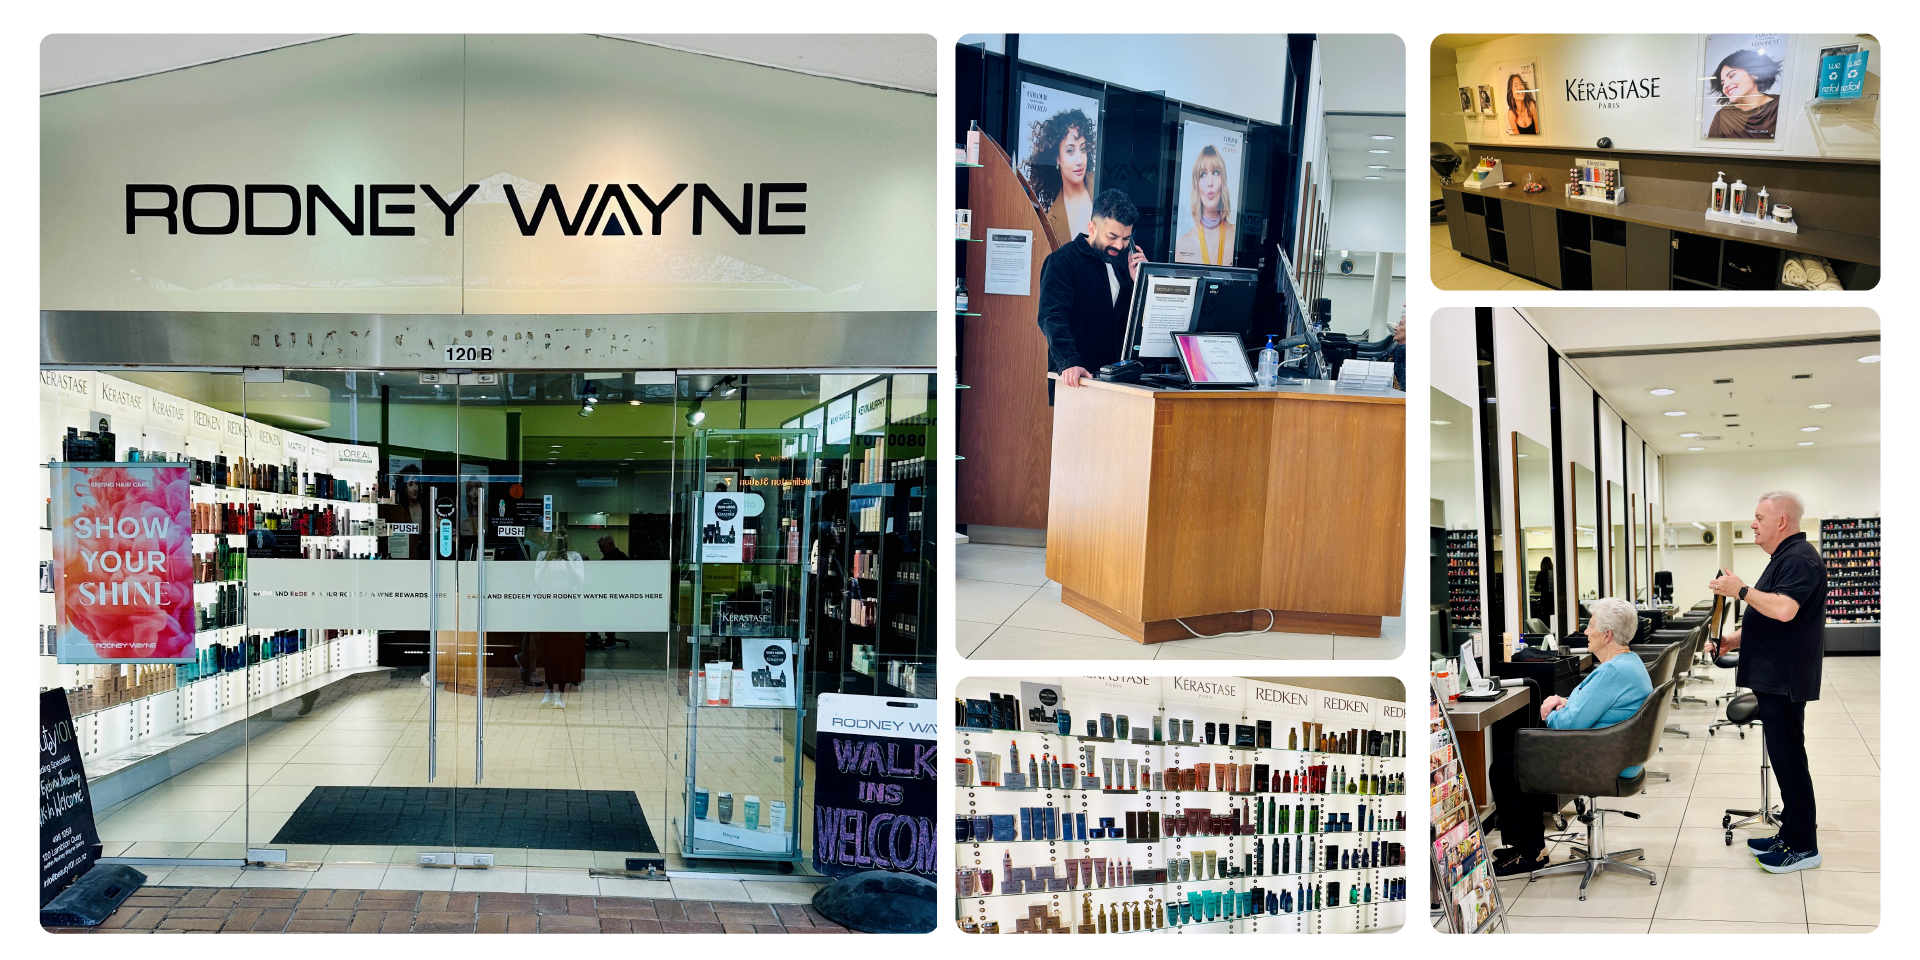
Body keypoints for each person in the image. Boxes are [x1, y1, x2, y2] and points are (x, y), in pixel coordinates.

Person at [1488, 597, 1654, 876]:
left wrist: (1551, 710)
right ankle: (1531, 846)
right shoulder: (1629, 662)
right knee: (1522, 761)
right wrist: (1566, 702)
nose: (1586, 632)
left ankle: (1528, 854)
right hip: (1618, 754)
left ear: (1607, 635)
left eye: (1591, 626)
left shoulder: (1612, 671)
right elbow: (1594, 705)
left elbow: (1565, 726)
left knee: (1507, 768)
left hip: (1602, 761)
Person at [1709, 490, 1827, 873]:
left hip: (1785, 679)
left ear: (1782, 522)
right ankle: (1788, 833)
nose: (1752, 524)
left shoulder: (1800, 559)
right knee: (1783, 760)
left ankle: (1803, 846)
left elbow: (1784, 609)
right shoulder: (1784, 559)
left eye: (1760, 518)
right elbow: (1766, 613)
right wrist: (1732, 639)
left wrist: (1741, 590)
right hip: (1775, 677)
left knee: (1791, 762)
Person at [1036, 188, 1148, 400]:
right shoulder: (1063, 261)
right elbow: (1052, 317)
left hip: (1119, 383)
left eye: (1126, 238)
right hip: (1078, 379)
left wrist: (1142, 282)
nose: (1119, 245)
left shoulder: (1126, 267)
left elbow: (1133, 323)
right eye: (1112, 236)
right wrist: (1069, 361)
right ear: (1092, 228)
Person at [1022, 108, 1096, 248]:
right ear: (1057, 158)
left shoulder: (1100, 185)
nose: (1079, 160)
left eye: (1083, 149)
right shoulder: (1052, 221)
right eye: (1070, 151)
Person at [1174, 145, 1236, 265]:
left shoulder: (1235, 236)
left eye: (1216, 172)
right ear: (1196, 184)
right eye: (1203, 174)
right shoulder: (1184, 244)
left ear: (1223, 181)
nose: (1210, 183)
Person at [1707, 48, 1783, 140]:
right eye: (1722, 83)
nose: (1725, 86)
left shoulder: (1781, 106)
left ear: (1754, 73)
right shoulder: (1723, 116)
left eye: (1732, 76)